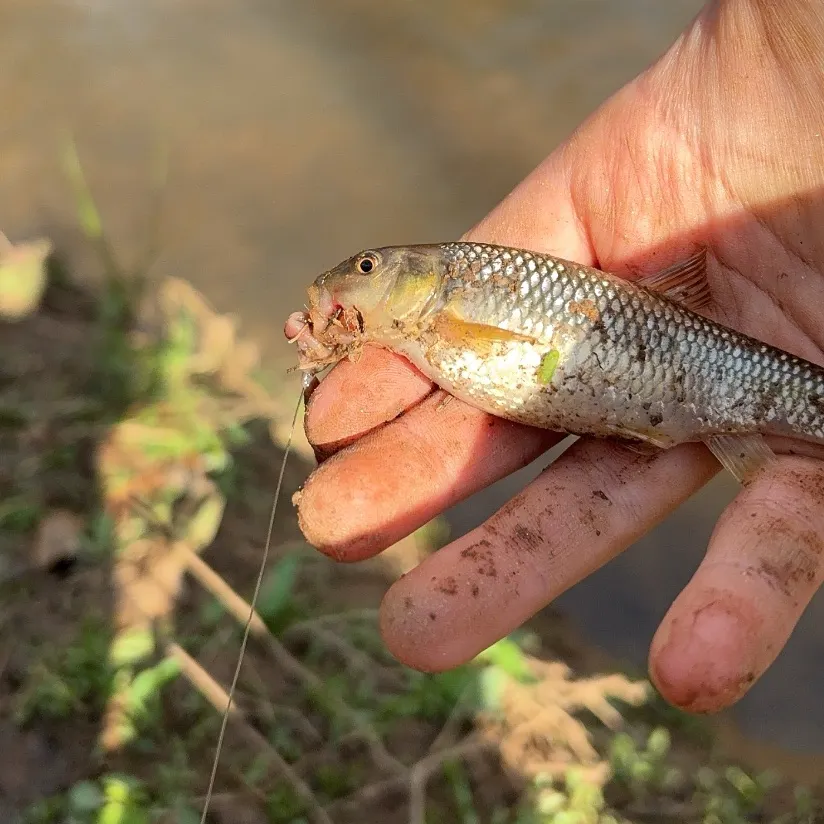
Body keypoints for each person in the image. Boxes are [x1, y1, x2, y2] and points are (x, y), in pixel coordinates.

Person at [284, 0, 824, 715]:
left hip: (690, 367)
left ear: (419, 276)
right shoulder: (429, 319)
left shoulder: (452, 295)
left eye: (368, 267)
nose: (355, 279)